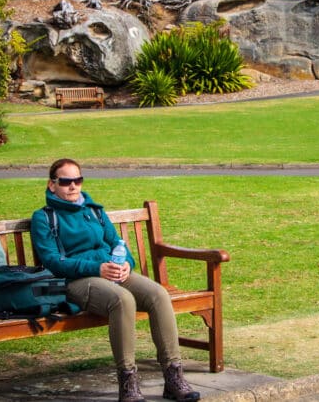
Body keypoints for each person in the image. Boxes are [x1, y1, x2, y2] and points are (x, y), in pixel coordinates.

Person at [30, 158, 201, 402]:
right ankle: (128, 383)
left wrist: (125, 265)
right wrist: (97, 268)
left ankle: (173, 377)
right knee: (122, 300)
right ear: (52, 185)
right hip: (75, 280)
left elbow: (117, 244)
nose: (73, 186)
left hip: (110, 271)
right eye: (66, 181)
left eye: (77, 180)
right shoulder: (44, 218)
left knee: (158, 294)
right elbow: (52, 262)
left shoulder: (94, 211)